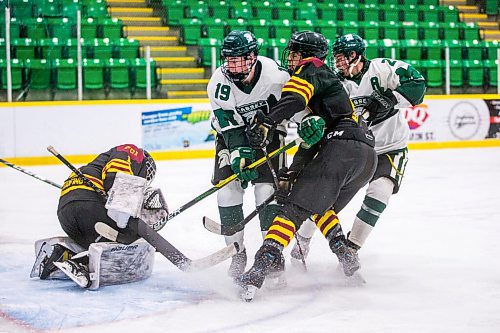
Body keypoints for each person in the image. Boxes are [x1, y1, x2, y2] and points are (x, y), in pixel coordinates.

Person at [239, 31, 377, 301]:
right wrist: (292, 173)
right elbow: (312, 143)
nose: (290, 58)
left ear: (305, 54)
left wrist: (267, 121)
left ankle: (257, 271)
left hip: (341, 149)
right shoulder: (327, 86)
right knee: (318, 206)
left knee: (292, 210)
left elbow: (294, 100)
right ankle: (345, 254)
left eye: (294, 52)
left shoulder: (311, 68)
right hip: (363, 158)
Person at [290, 33, 427, 271]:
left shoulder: (382, 69)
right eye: (336, 58)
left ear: (356, 55)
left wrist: (389, 98)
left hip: (389, 147)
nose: (338, 63)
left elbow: (417, 84)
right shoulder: (335, 83)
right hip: (350, 149)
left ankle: (351, 249)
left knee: (380, 193)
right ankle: (302, 239)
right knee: (323, 201)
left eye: (342, 58)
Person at [206, 30, 292, 282]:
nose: (231, 65)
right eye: (228, 59)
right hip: (230, 136)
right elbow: (229, 126)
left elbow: (295, 105)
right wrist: (238, 154)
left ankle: (272, 254)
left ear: (252, 56)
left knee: (266, 192)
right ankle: (237, 252)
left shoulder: (277, 75)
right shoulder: (218, 83)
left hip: (269, 135)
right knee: (227, 190)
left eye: (238, 59)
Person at [31, 144, 166, 289]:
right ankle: (84, 262)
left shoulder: (97, 165)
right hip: (91, 208)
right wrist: (131, 228)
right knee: (132, 234)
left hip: (66, 215)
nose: (145, 179)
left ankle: (65, 255)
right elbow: (115, 175)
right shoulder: (132, 151)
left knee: (98, 242)